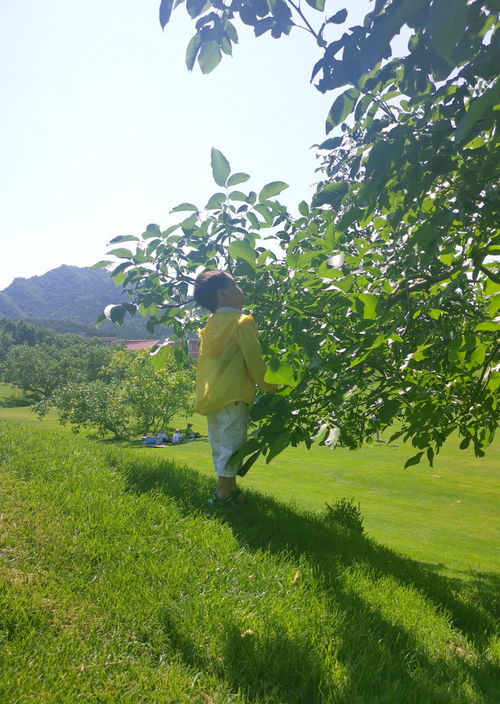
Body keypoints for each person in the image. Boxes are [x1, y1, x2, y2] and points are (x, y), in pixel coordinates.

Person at [193, 270, 277, 506]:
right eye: (236, 285)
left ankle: (231, 492)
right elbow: (254, 361)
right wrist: (269, 387)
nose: (241, 290)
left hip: (212, 396)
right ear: (224, 294)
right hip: (234, 395)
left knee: (221, 443)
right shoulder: (242, 323)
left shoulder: (210, 327)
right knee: (233, 445)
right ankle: (222, 494)